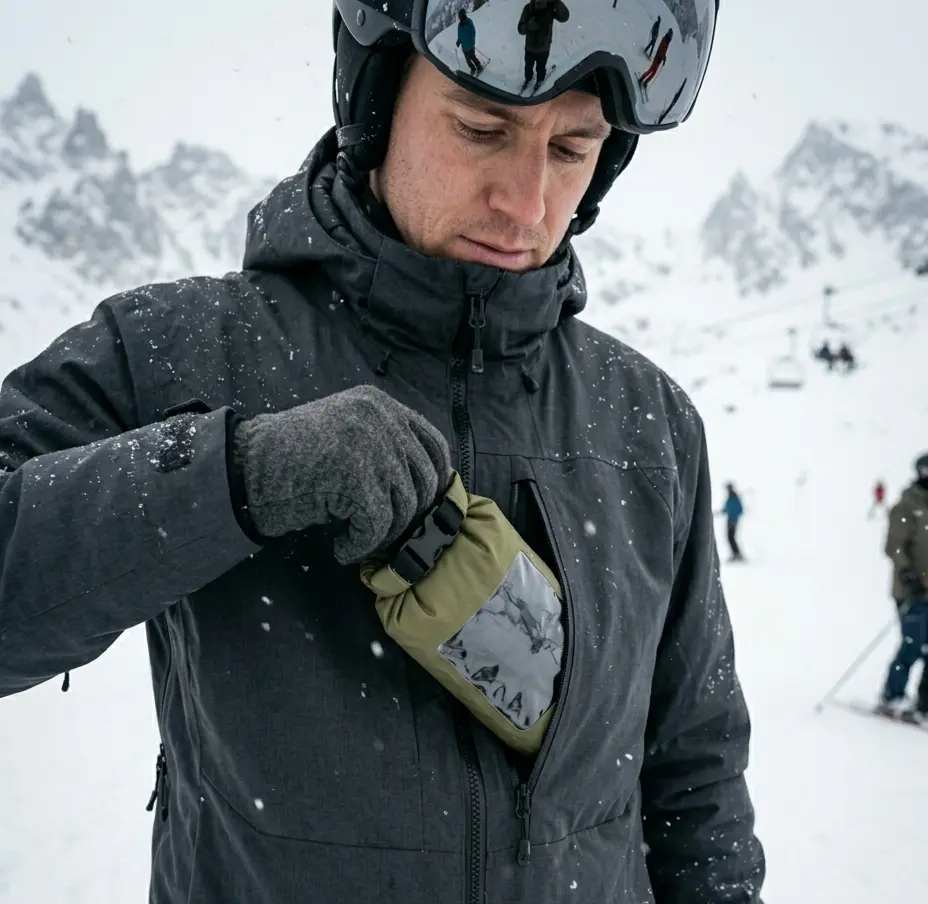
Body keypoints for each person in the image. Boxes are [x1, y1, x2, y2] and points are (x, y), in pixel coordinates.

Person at [0, 1, 763, 902]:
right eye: (482, 129)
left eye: (571, 149)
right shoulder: (180, 351)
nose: (527, 203)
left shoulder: (648, 424)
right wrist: (238, 475)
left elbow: (694, 776)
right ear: (374, 98)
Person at [876, 454, 928, 723]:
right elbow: (893, 545)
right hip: (912, 592)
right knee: (913, 645)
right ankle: (892, 695)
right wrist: (907, 572)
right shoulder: (907, 506)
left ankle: (924, 703)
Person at [517, 0, 570, 92]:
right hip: (530, 48)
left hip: (543, 48)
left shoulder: (550, 8)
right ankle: (528, 78)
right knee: (528, 67)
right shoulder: (528, 8)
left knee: (541, 68)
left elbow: (564, 17)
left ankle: (540, 80)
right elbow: (521, 29)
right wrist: (529, 26)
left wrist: (556, 2)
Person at [721, 482, 746, 562]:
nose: (728, 489)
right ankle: (736, 554)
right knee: (730, 537)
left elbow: (739, 509)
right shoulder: (730, 497)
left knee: (731, 537)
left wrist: (734, 519)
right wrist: (723, 510)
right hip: (730, 520)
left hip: (733, 520)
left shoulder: (734, 497)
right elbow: (728, 508)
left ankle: (737, 554)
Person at [456, 8, 483, 76]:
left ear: (463, 15)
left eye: (460, 16)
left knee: (473, 58)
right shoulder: (459, 25)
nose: (460, 18)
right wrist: (458, 41)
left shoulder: (469, 22)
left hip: (470, 45)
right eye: (459, 16)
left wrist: (471, 41)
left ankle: (479, 67)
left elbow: (473, 32)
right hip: (464, 47)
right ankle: (473, 69)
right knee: (468, 60)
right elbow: (460, 35)